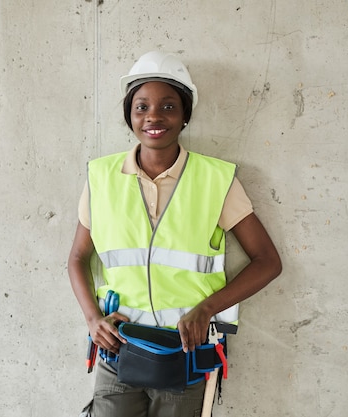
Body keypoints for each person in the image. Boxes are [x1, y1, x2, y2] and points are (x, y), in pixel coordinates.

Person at [67, 51, 282, 417]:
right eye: (142, 106)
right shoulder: (100, 177)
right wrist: (92, 319)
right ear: (129, 115)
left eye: (168, 106)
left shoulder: (215, 180)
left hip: (186, 354)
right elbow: (76, 258)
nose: (153, 116)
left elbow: (267, 262)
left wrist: (206, 310)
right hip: (119, 349)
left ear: (185, 117)